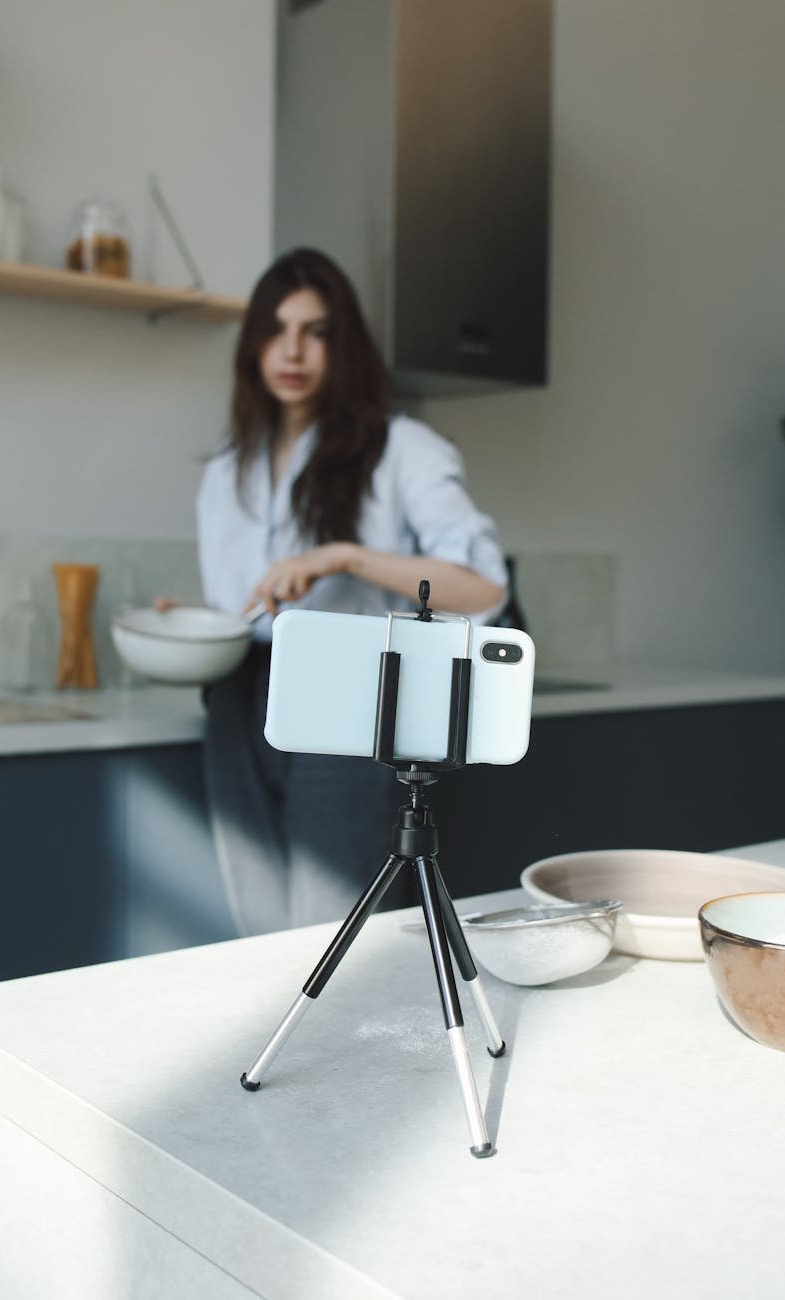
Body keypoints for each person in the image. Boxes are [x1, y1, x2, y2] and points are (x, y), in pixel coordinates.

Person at [195, 247, 508, 936]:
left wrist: (346, 556)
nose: (293, 350)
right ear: (253, 345)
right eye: (277, 330)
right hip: (238, 697)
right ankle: (282, 1048)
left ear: (346, 347)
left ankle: (337, 1050)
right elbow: (239, 607)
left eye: (315, 332)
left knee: (331, 928)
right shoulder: (227, 469)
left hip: (349, 700)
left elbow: (482, 588)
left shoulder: (403, 451)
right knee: (252, 928)